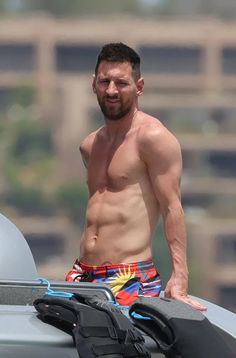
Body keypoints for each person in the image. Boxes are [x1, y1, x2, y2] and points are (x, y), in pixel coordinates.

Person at [66, 42, 206, 310]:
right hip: (82, 272)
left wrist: (180, 277)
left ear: (139, 86)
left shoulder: (153, 138)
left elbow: (172, 207)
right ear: (93, 83)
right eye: (104, 81)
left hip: (129, 276)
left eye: (121, 83)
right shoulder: (90, 146)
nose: (111, 90)